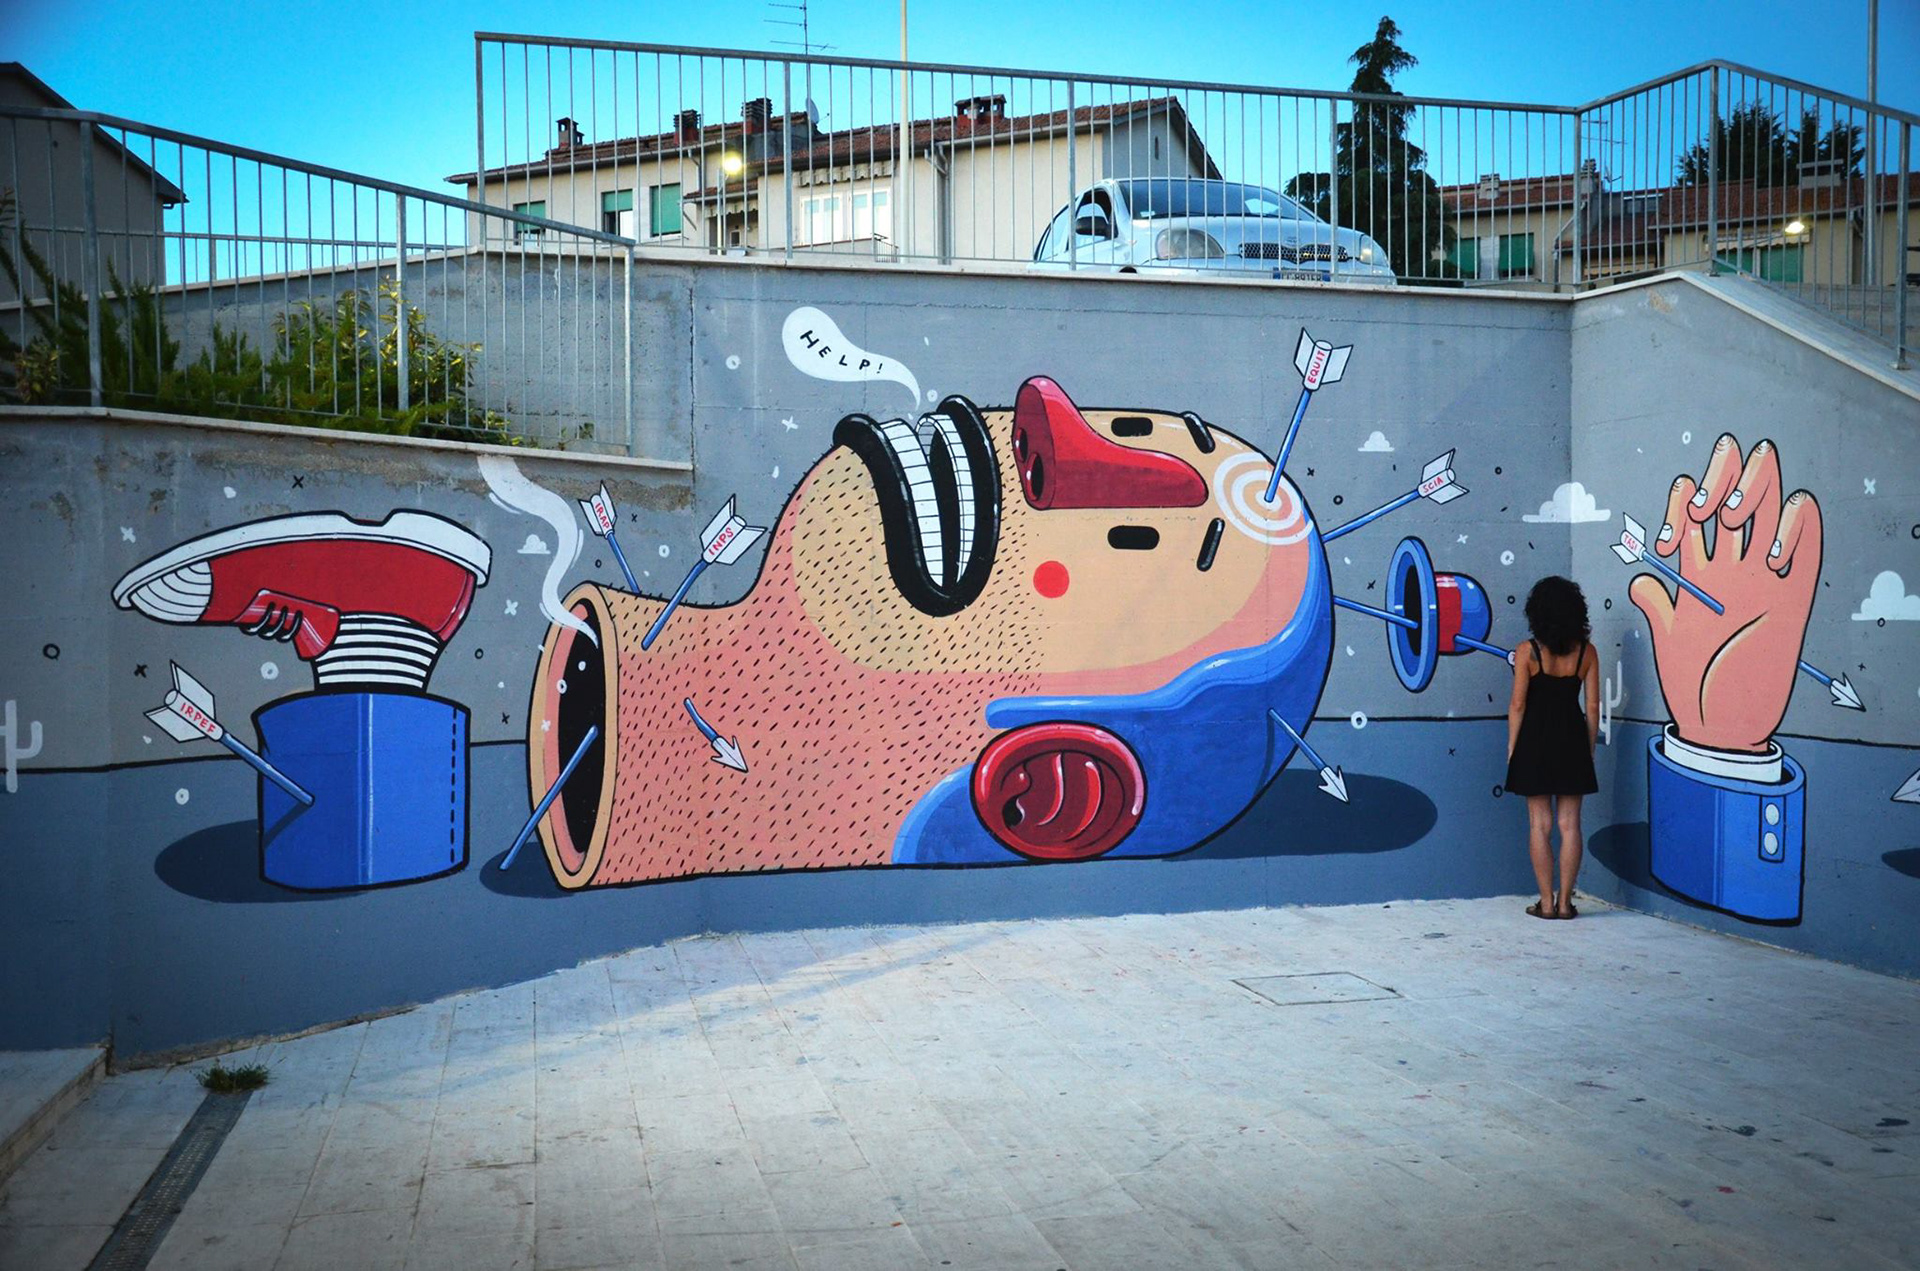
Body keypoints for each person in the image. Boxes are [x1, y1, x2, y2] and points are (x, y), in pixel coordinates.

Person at [1506, 576, 1600, 919]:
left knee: (1539, 824)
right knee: (1570, 824)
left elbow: (1518, 705)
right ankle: (1565, 904)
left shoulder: (1527, 651)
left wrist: (1513, 749)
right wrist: (1588, 748)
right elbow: (1592, 708)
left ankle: (1545, 903)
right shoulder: (1587, 652)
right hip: (1572, 739)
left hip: (1534, 740)